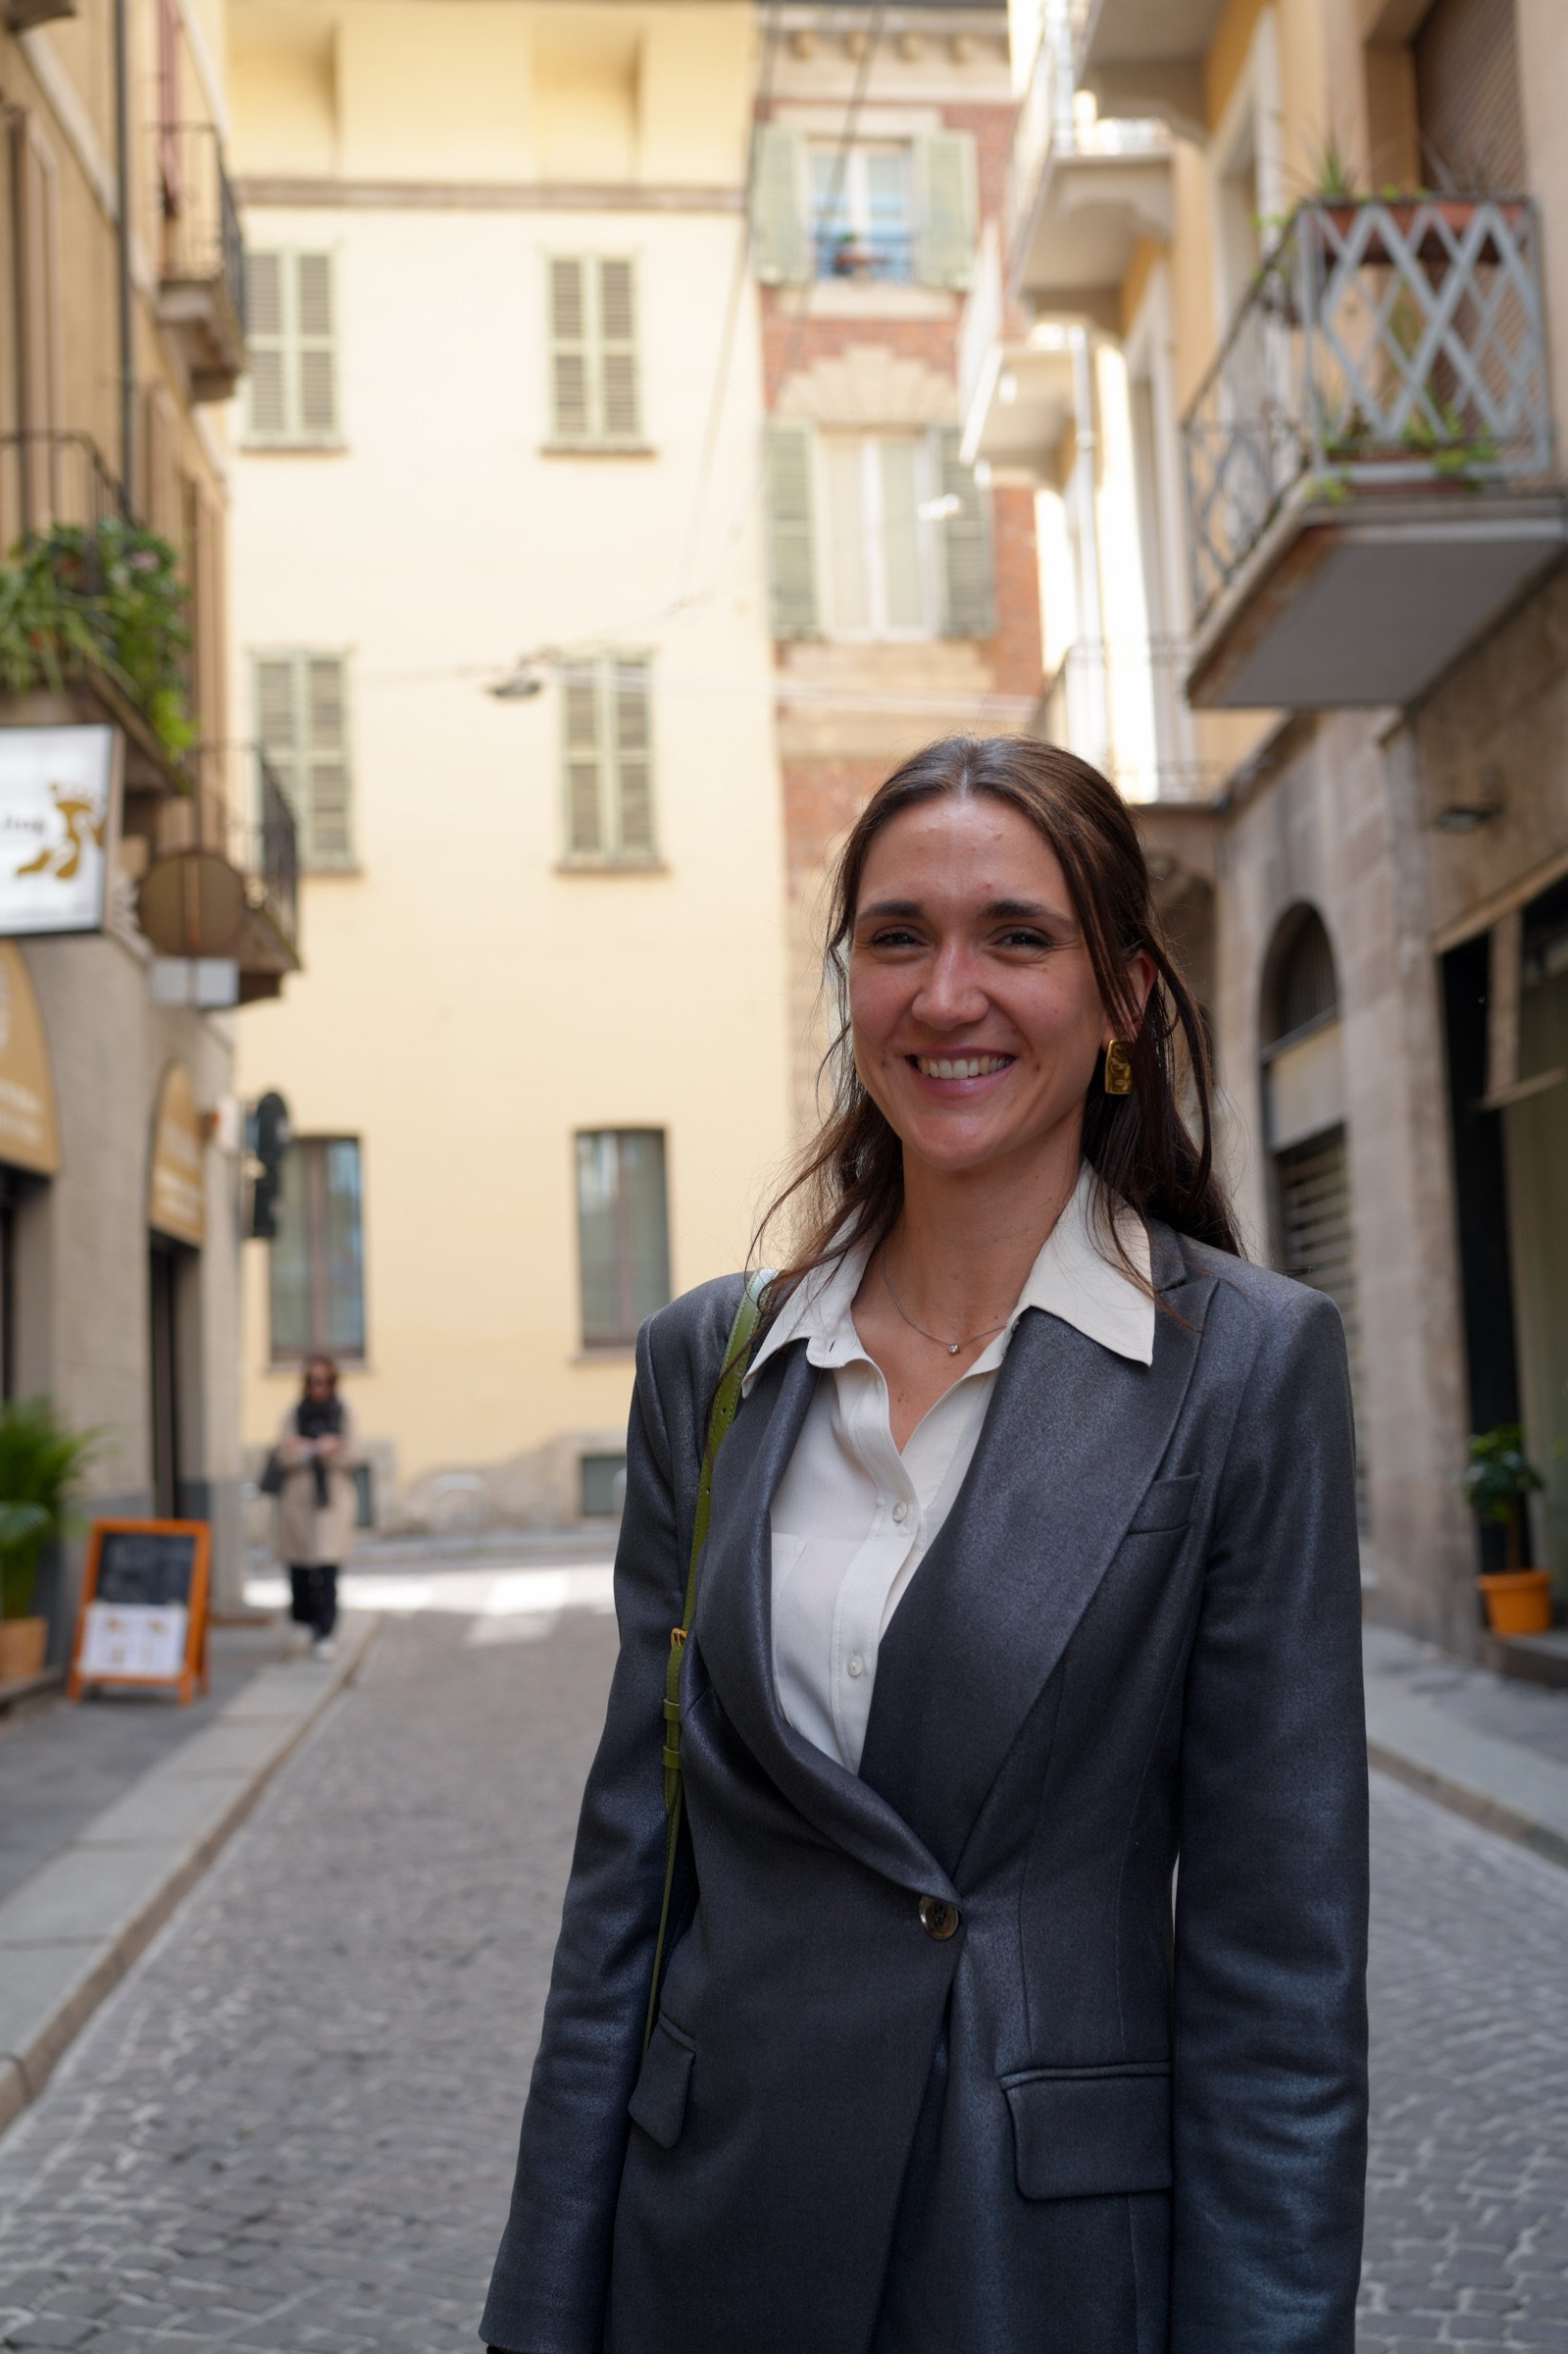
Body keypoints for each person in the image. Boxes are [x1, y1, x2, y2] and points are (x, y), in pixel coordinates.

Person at [481, 737, 1369, 2354]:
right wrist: (545, 2298)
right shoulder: (715, 1360)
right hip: (711, 2240)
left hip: (1028, 2259)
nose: (947, 993)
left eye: (1015, 937)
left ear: (1120, 998)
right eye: (898, 937)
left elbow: (1278, 1966)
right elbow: (631, 1878)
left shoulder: (1246, 1366)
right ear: (850, 985)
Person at [274, 1355, 356, 1661]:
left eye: (324, 1380)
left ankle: (326, 1631)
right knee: (301, 1570)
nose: (318, 1386)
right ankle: (305, 1623)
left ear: (333, 1382)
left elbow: (353, 1454)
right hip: (299, 1501)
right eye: (312, 1380)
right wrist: (311, 1450)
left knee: (328, 1568)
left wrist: (329, 1450)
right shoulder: (294, 1413)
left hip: (331, 1501)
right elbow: (283, 1455)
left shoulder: (343, 1412)